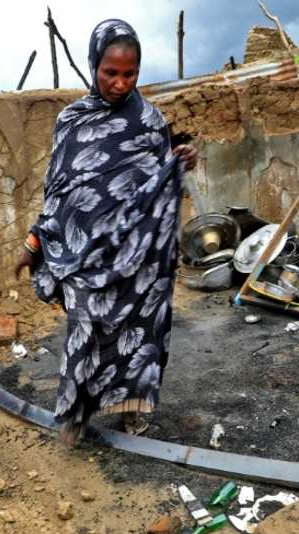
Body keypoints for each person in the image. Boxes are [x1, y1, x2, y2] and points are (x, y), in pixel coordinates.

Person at [14, 19, 197, 446]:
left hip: (133, 254)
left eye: (129, 73)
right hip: (84, 253)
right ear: (94, 65)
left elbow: (151, 183)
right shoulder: (72, 120)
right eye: (110, 72)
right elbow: (60, 191)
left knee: (139, 329)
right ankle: (77, 414)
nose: (119, 83)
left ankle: (132, 411)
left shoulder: (150, 122)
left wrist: (176, 163)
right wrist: (34, 241)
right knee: (86, 328)